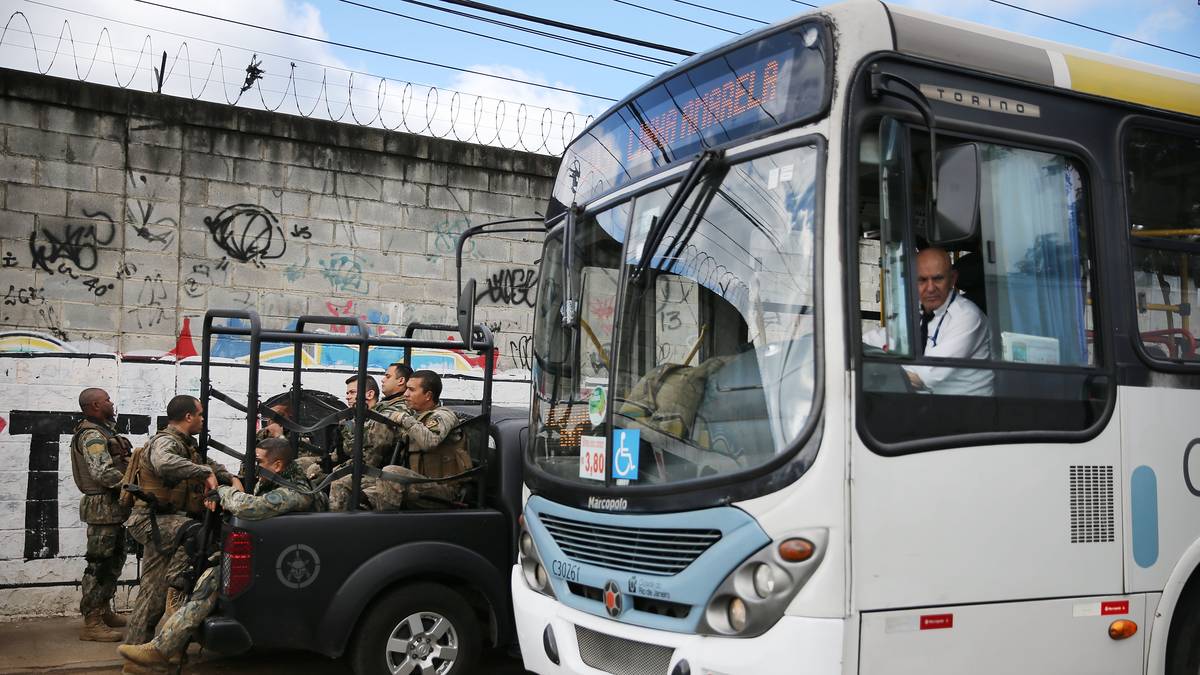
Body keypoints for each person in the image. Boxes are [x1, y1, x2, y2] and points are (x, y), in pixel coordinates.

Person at [116, 437, 314, 674]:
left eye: (259, 461)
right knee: (206, 577)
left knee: (208, 578)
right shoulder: (271, 481)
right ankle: (165, 649)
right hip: (266, 555)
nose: (253, 467)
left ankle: (164, 650)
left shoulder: (295, 491)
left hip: (281, 563)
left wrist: (221, 491)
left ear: (278, 466)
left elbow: (251, 507)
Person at [123, 396, 242, 647]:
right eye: (199, 414)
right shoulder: (166, 441)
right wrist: (205, 473)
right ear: (188, 416)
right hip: (151, 520)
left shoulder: (186, 445)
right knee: (196, 536)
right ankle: (179, 589)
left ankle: (135, 650)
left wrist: (231, 478)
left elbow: (208, 465)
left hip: (164, 522)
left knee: (152, 590)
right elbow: (165, 464)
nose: (202, 419)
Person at [864, 247, 992, 395]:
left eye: (938, 279)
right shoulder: (919, 312)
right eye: (922, 280)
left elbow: (920, 378)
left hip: (967, 410)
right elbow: (884, 339)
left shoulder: (967, 316)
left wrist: (874, 369)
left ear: (952, 279)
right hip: (930, 406)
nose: (930, 288)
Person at [70, 387, 132, 642]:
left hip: (112, 506)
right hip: (101, 506)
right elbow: (101, 473)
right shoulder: (92, 435)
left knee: (115, 560)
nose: (111, 402)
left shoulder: (105, 430)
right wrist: (133, 483)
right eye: (106, 399)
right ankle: (92, 620)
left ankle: (103, 608)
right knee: (99, 563)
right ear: (95, 405)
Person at [372, 370, 470, 510]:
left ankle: (386, 529)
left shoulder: (444, 416)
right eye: (406, 389)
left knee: (391, 473)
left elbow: (430, 442)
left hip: (443, 489)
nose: (406, 394)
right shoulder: (418, 418)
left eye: (411, 390)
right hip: (417, 483)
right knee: (349, 481)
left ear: (428, 395)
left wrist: (404, 419)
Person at [327, 374, 398, 510]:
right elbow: (340, 454)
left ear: (370, 394)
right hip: (359, 468)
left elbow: (371, 460)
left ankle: (336, 525)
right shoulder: (355, 420)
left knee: (338, 481)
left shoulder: (381, 419)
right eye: (347, 393)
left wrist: (337, 468)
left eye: (352, 392)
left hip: (376, 473)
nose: (347, 397)